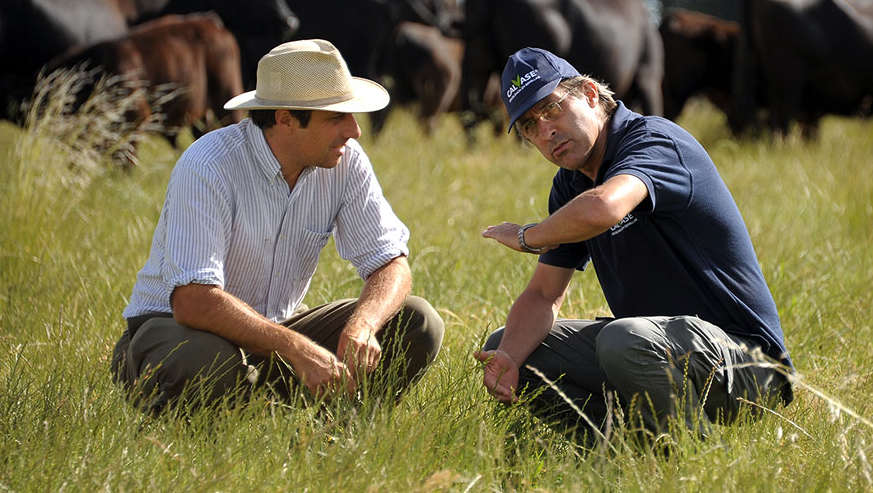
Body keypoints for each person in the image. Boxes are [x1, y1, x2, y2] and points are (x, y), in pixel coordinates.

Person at [111, 39, 444, 415]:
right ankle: (234, 428)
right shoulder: (209, 164)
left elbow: (392, 263)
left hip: (277, 330)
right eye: (337, 117)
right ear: (285, 118)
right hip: (175, 330)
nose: (355, 130)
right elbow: (192, 301)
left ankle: (332, 434)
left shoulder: (346, 161)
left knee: (419, 322)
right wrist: (297, 349)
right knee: (204, 359)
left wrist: (363, 326)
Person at [476, 47, 793, 438]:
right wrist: (508, 357)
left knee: (624, 338)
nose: (546, 131)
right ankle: (619, 454)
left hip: (748, 365)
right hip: (655, 350)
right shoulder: (570, 185)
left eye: (552, 108)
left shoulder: (653, 140)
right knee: (508, 346)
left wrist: (528, 237)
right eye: (528, 125)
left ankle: (693, 460)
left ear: (590, 94)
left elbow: (603, 208)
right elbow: (543, 295)